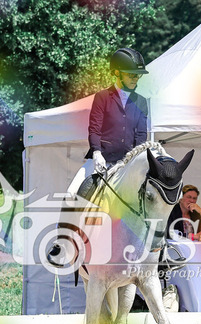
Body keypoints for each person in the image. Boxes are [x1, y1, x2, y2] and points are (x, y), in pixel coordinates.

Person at [48, 47, 149, 266]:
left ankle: (157, 245)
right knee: (71, 192)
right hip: (101, 159)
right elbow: (94, 129)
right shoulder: (102, 98)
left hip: (127, 164)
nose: (135, 78)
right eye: (131, 74)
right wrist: (96, 152)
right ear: (117, 73)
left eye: (137, 75)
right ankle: (62, 244)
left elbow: (141, 135)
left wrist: (134, 162)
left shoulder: (142, 102)